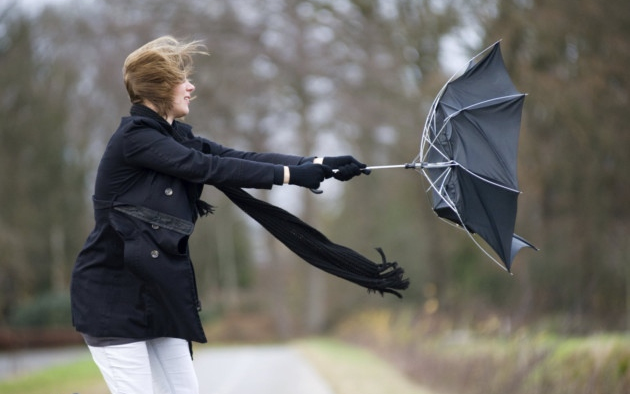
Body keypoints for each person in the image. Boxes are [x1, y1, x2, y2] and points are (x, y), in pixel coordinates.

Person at [70, 36, 368, 394]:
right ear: (161, 87)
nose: (191, 86)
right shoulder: (135, 139)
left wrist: (317, 164)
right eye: (183, 79)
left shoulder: (173, 136)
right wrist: (290, 177)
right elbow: (206, 167)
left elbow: (236, 157)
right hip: (113, 300)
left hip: (158, 295)